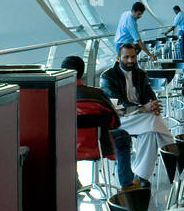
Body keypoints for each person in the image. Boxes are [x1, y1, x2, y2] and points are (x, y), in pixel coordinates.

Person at [99, 43, 177, 187]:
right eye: (126, 57)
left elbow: (149, 93)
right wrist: (142, 109)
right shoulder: (107, 77)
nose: (130, 60)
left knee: (150, 133)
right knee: (151, 119)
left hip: (140, 119)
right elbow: (119, 104)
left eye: (133, 57)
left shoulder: (140, 74)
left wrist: (153, 104)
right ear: (118, 58)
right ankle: (173, 152)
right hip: (119, 120)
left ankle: (141, 176)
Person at [61, 55, 137, 190]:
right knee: (123, 136)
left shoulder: (57, 96)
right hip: (100, 145)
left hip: (68, 148)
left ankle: (74, 180)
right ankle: (126, 182)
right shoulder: (97, 94)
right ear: (82, 71)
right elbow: (114, 123)